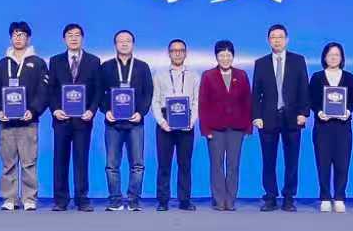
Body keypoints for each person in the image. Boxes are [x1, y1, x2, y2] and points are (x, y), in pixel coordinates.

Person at [0, 21, 48, 212]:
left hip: (29, 122)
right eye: (15, 34)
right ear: (10, 38)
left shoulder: (38, 63)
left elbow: (43, 91)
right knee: (8, 163)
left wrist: (34, 110)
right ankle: (9, 198)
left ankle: (29, 198)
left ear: (28, 38)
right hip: (7, 123)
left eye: (22, 35)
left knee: (29, 162)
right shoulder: (1, 65)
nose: (18, 38)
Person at [251, 24, 309, 211]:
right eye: (273, 37)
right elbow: (255, 93)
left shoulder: (298, 60)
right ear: (268, 40)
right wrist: (256, 116)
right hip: (268, 118)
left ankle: (289, 197)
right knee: (268, 160)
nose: (277, 40)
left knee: (292, 160)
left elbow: (304, 88)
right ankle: (270, 197)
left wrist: (303, 113)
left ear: (287, 40)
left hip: (293, 117)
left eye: (280, 37)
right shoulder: (261, 63)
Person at [48, 23, 100, 211]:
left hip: (83, 120)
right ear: (64, 39)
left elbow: (98, 90)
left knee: (81, 160)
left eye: (77, 35)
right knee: (60, 160)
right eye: (70, 35)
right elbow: (50, 89)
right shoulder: (55, 61)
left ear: (82, 38)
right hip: (61, 119)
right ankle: (60, 200)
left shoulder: (94, 61)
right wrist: (55, 109)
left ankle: (82, 199)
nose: (74, 38)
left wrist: (91, 111)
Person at [101, 29, 154, 211]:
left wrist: (141, 112)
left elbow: (148, 93)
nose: (124, 43)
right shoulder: (106, 66)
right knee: (111, 165)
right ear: (115, 44)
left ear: (133, 44)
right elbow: (99, 92)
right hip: (113, 123)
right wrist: (106, 110)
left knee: (137, 164)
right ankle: (115, 201)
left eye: (128, 40)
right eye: (120, 41)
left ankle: (133, 200)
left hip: (135, 123)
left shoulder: (143, 67)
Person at [199, 40, 252, 211]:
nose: (225, 58)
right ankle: (219, 200)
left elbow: (247, 102)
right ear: (216, 57)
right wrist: (205, 129)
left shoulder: (241, 75)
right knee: (216, 165)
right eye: (221, 55)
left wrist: (248, 127)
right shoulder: (208, 75)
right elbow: (203, 103)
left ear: (233, 56)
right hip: (215, 128)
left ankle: (230, 200)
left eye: (228, 55)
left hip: (237, 128)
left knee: (233, 165)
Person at [307, 41, 353, 212]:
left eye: (337, 54)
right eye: (330, 55)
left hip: (343, 127)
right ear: (324, 57)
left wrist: (348, 111)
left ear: (341, 58)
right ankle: (325, 197)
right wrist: (319, 112)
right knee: (323, 163)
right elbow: (311, 99)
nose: (333, 57)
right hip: (323, 126)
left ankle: (340, 197)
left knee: (342, 163)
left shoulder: (348, 77)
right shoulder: (317, 77)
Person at [153, 38, 197, 211]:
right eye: (174, 51)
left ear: (185, 53)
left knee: (185, 164)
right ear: (169, 53)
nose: (177, 53)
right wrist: (161, 121)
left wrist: (192, 121)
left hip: (186, 121)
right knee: (164, 164)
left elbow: (197, 102)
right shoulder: (160, 75)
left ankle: (185, 200)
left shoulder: (194, 76)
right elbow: (155, 101)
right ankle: (163, 201)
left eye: (181, 50)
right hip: (165, 121)